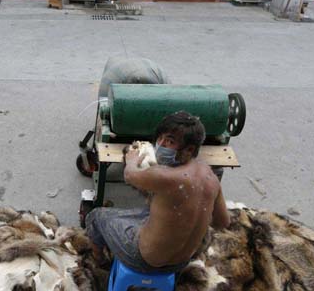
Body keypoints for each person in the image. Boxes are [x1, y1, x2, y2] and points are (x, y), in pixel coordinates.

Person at [85, 111, 230, 273]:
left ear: (189, 150)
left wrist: (132, 159)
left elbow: (129, 175)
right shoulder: (211, 178)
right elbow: (222, 222)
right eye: (160, 138)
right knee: (153, 211)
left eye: (170, 142)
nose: (161, 145)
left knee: (96, 216)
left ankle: (99, 262)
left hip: (144, 261)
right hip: (181, 263)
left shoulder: (165, 176)